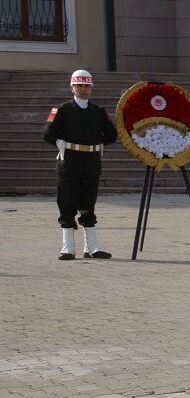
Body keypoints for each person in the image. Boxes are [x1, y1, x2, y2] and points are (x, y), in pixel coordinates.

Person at [43, 68, 117, 260]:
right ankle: (68, 247)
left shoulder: (98, 112)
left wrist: (99, 144)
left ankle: (91, 247)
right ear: (72, 87)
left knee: (88, 202)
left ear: (91, 88)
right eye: (79, 86)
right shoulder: (62, 110)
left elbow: (111, 134)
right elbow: (48, 133)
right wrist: (61, 145)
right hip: (70, 162)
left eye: (86, 86)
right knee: (67, 201)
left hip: (91, 162)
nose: (83, 89)